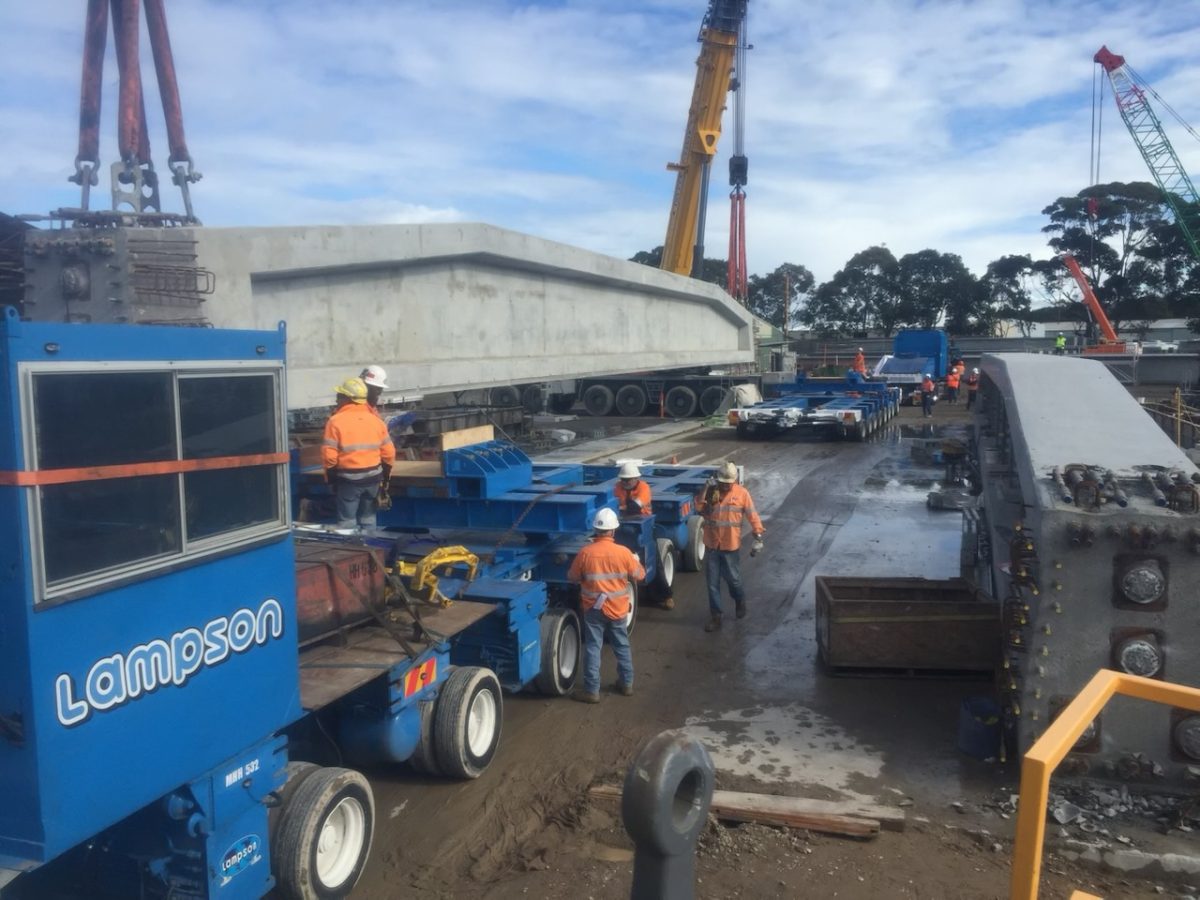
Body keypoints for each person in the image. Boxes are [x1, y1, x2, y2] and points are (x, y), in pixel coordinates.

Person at [567, 507, 645, 703]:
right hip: (618, 609)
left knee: (593, 647)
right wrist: (635, 560)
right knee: (621, 645)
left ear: (596, 530)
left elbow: (572, 577)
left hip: (593, 609)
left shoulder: (585, 553)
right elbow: (640, 575)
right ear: (613, 531)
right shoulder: (623, 553)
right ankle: (626, 684)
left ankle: (592, 691)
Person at [695, 461, 764, 632]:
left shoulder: (742, 494)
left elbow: (752, 514)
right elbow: (698, 507)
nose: (725, 486)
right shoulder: (711, 492)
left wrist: (758, 533)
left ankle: (739, 599)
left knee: (734, 580)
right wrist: (705, 488)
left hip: (730, 545)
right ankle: (716, 617)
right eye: (722, 482)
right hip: (712, 545)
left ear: (734, 481)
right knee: (712, 584)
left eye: (728, 483)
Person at [322, 377, 396, 530]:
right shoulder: (376, 421)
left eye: (339, 395)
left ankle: (350, 543)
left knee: (347, 521)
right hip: (373, 479)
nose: (336, 399)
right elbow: (389, 453)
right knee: (368, 518)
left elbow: (329, 457)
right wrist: (385, 479)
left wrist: (331, 480)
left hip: (349, 481)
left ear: (348, 399)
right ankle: (370, 543)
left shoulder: (335, 422)